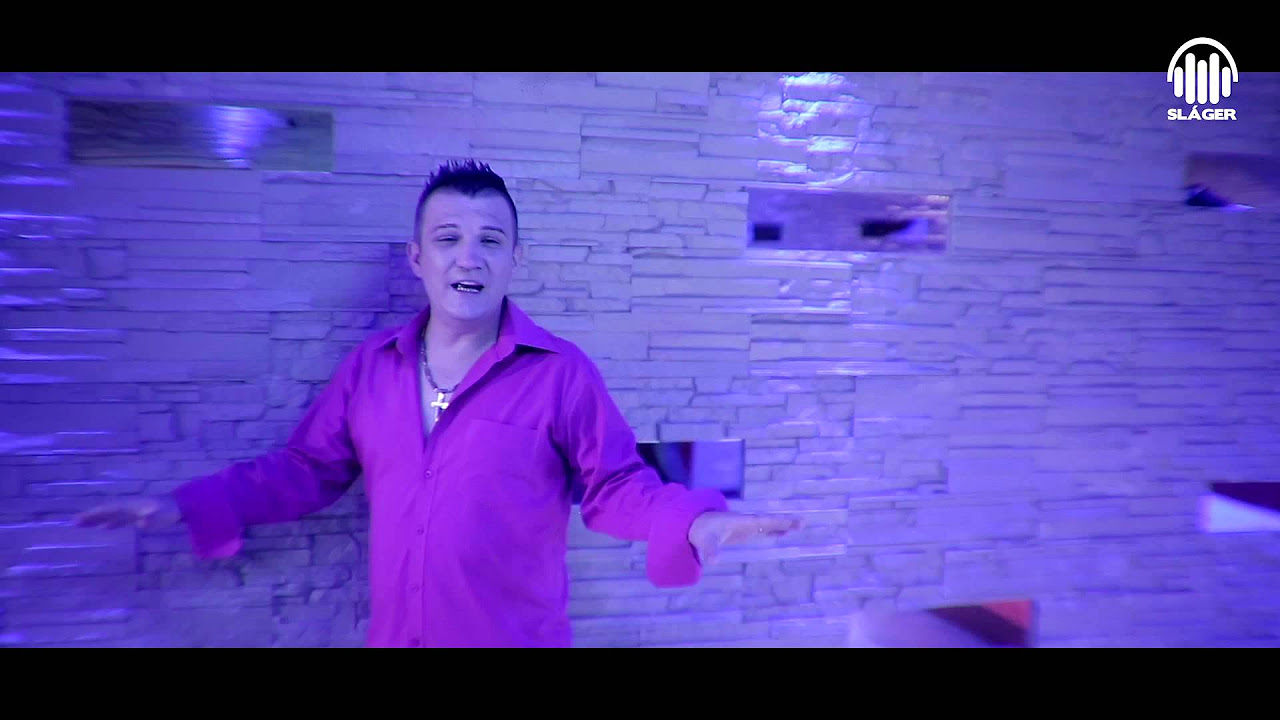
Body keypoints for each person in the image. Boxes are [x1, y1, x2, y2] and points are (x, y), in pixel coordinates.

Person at [76, 159, 802, 647]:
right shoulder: (370, 370)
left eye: (491, 241)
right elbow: (303, 471)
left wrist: (694, 521)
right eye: (448, 238)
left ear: (515, 259)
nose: (469, 256)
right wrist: (188, 506)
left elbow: (616, 485)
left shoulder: (562, 375)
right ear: (417, 257)